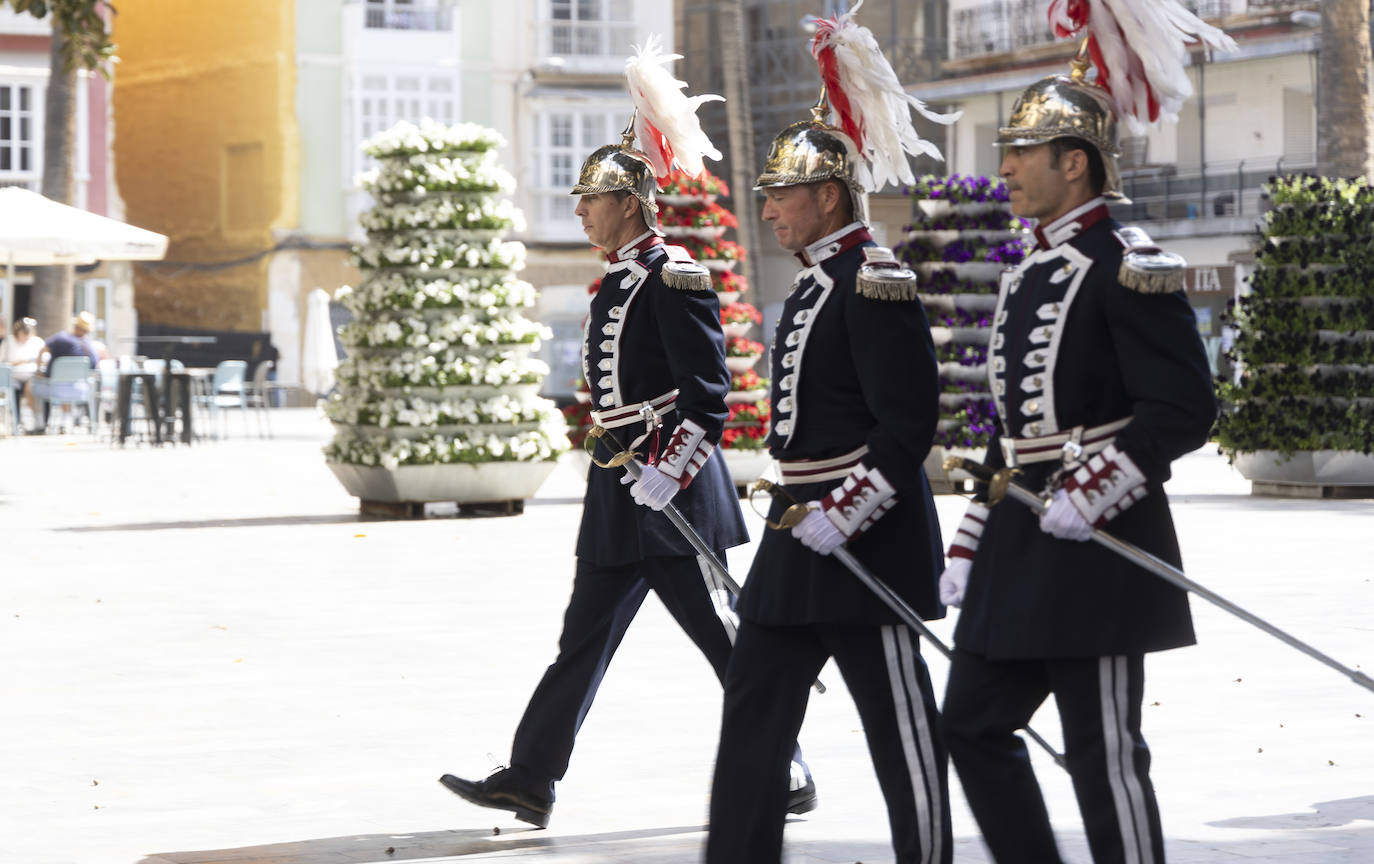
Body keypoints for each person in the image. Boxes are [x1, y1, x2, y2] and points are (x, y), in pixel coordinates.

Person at [437, 38, 815, 830]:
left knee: (720, 640)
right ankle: (532, 776)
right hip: (621, 492)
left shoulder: (673, 275)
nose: (579, 211)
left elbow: (708, 398)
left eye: (591, 200)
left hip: (670, 492)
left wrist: (668, 469)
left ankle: (785, 761)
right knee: (582, 638)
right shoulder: (618, 279)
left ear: (631, 205)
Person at [936, 60, 1218, 864]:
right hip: (1022, 540)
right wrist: (969, 540)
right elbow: (1012, 436)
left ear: (1076, 162)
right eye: (1008, 149)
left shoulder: (1127, 264)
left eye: (1026, 151)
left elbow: (1184, 408)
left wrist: (1096, 487)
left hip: (1100, 544)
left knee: (1102, 750)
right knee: (970, 723)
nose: (1007, 167)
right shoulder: (1028, 270)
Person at [705, 9, 958, 862]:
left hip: (866, 534)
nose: (770, 209)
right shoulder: (815, 284)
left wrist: (847, 510)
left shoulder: (875, 281)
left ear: (828, 196)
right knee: (753, 703)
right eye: (768, 196)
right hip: (795, 532)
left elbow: (907, 425)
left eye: (781, 195)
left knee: (899, 721)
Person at [29, 311, 98, 432]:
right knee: (66, 382)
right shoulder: (90, 348)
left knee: (31, 384)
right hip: (80, 389)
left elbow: (42, 351)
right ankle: (66, 420)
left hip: (54, 388)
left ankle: (38, 420)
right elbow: (93, 367)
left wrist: (38, 370)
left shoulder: (61, 338)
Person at [2, 317, 45, 423]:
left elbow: (44, 359)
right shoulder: (9, 341)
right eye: (23, 334)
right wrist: (19, 362)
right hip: (13, 375)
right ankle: (18, 418)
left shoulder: (37, 342)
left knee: (31, 383)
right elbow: (3, 361)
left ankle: (29, 413)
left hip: (31, 374)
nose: (26, 337)